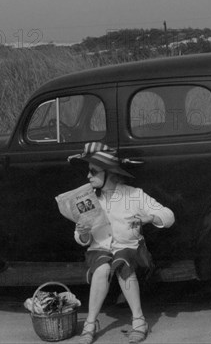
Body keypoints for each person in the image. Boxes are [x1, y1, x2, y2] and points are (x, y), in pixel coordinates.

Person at [68, 142, 175, 344]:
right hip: (99, 251)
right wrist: (82, 233)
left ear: (108, 173)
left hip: (130, 252)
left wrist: (149, 218)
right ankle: (90, 324)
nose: (88, 176)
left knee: (122, 262)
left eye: (93, 171)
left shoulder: (133, 195)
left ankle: (139, 320)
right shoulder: (89, 201)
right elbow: (81, 239)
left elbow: (168, 216)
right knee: (101, 269)